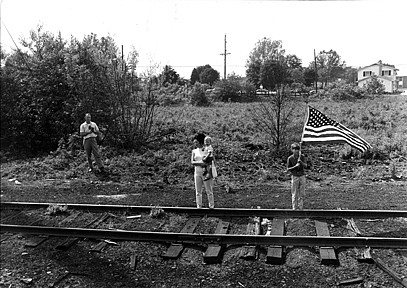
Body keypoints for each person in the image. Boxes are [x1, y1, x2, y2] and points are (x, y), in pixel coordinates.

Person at [191, 133, 215, 209]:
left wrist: (205, 163)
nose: (195, 144)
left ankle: (211, 206)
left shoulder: (206, 149)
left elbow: (211, 159)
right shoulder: (194, 151)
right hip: (197, 172)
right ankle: (199, 206)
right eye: (195, 143)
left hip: (206, 171)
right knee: (198, 191)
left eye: (197, 142)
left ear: (201, 142)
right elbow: (192, 162)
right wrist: (200, 163)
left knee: (209, 190)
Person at [286, 142, 307, 210]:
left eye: (297, 149)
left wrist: (301, 162)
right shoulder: (290, 158)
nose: (296, 150)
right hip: (295, 176)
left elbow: (306, 166)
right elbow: (288, 169)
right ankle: (294, 208)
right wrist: (295, 166)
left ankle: (300, 208)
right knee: (294, 193)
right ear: (292, 150)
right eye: (294, 149)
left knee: (302, 193)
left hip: (302, 176)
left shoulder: (302, 157)